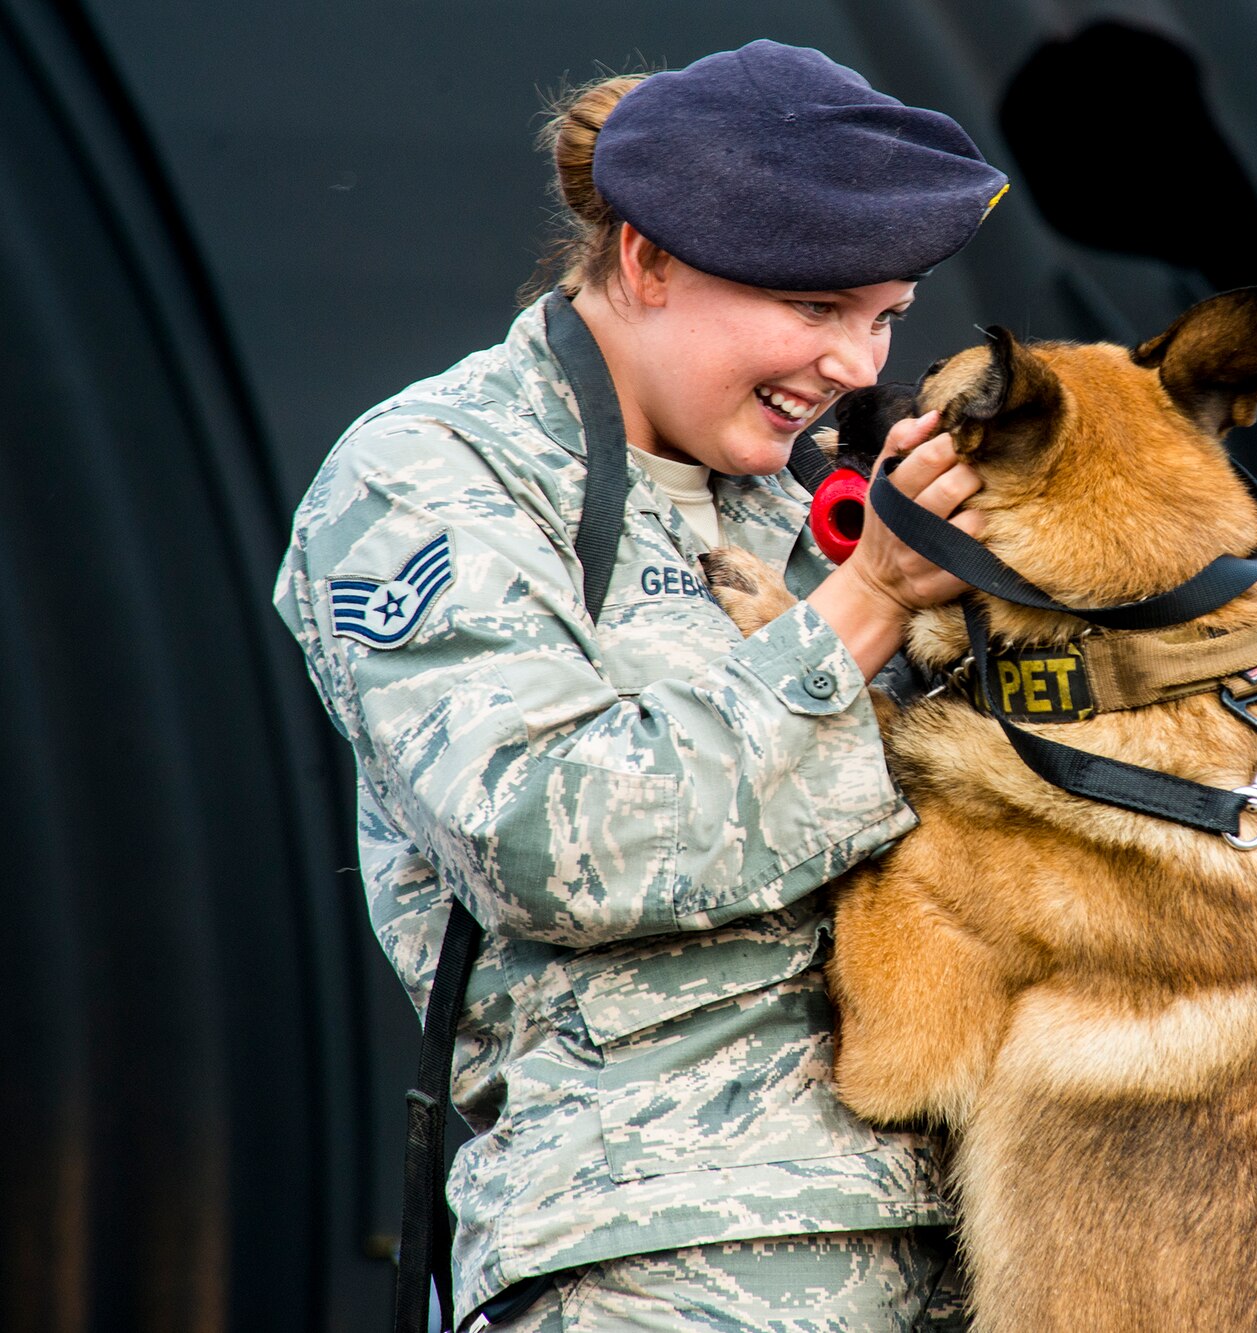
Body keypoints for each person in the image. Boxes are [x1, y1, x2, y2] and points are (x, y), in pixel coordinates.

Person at [272, 40, 1006, 1331]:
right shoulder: (432, 478)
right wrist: (868, 607)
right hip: (657, 1259)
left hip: (972, 1250)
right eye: (815, 307)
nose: (854, 362)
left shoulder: (821, 506)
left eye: (883, 316)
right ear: (646, 260)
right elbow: (551, 832)